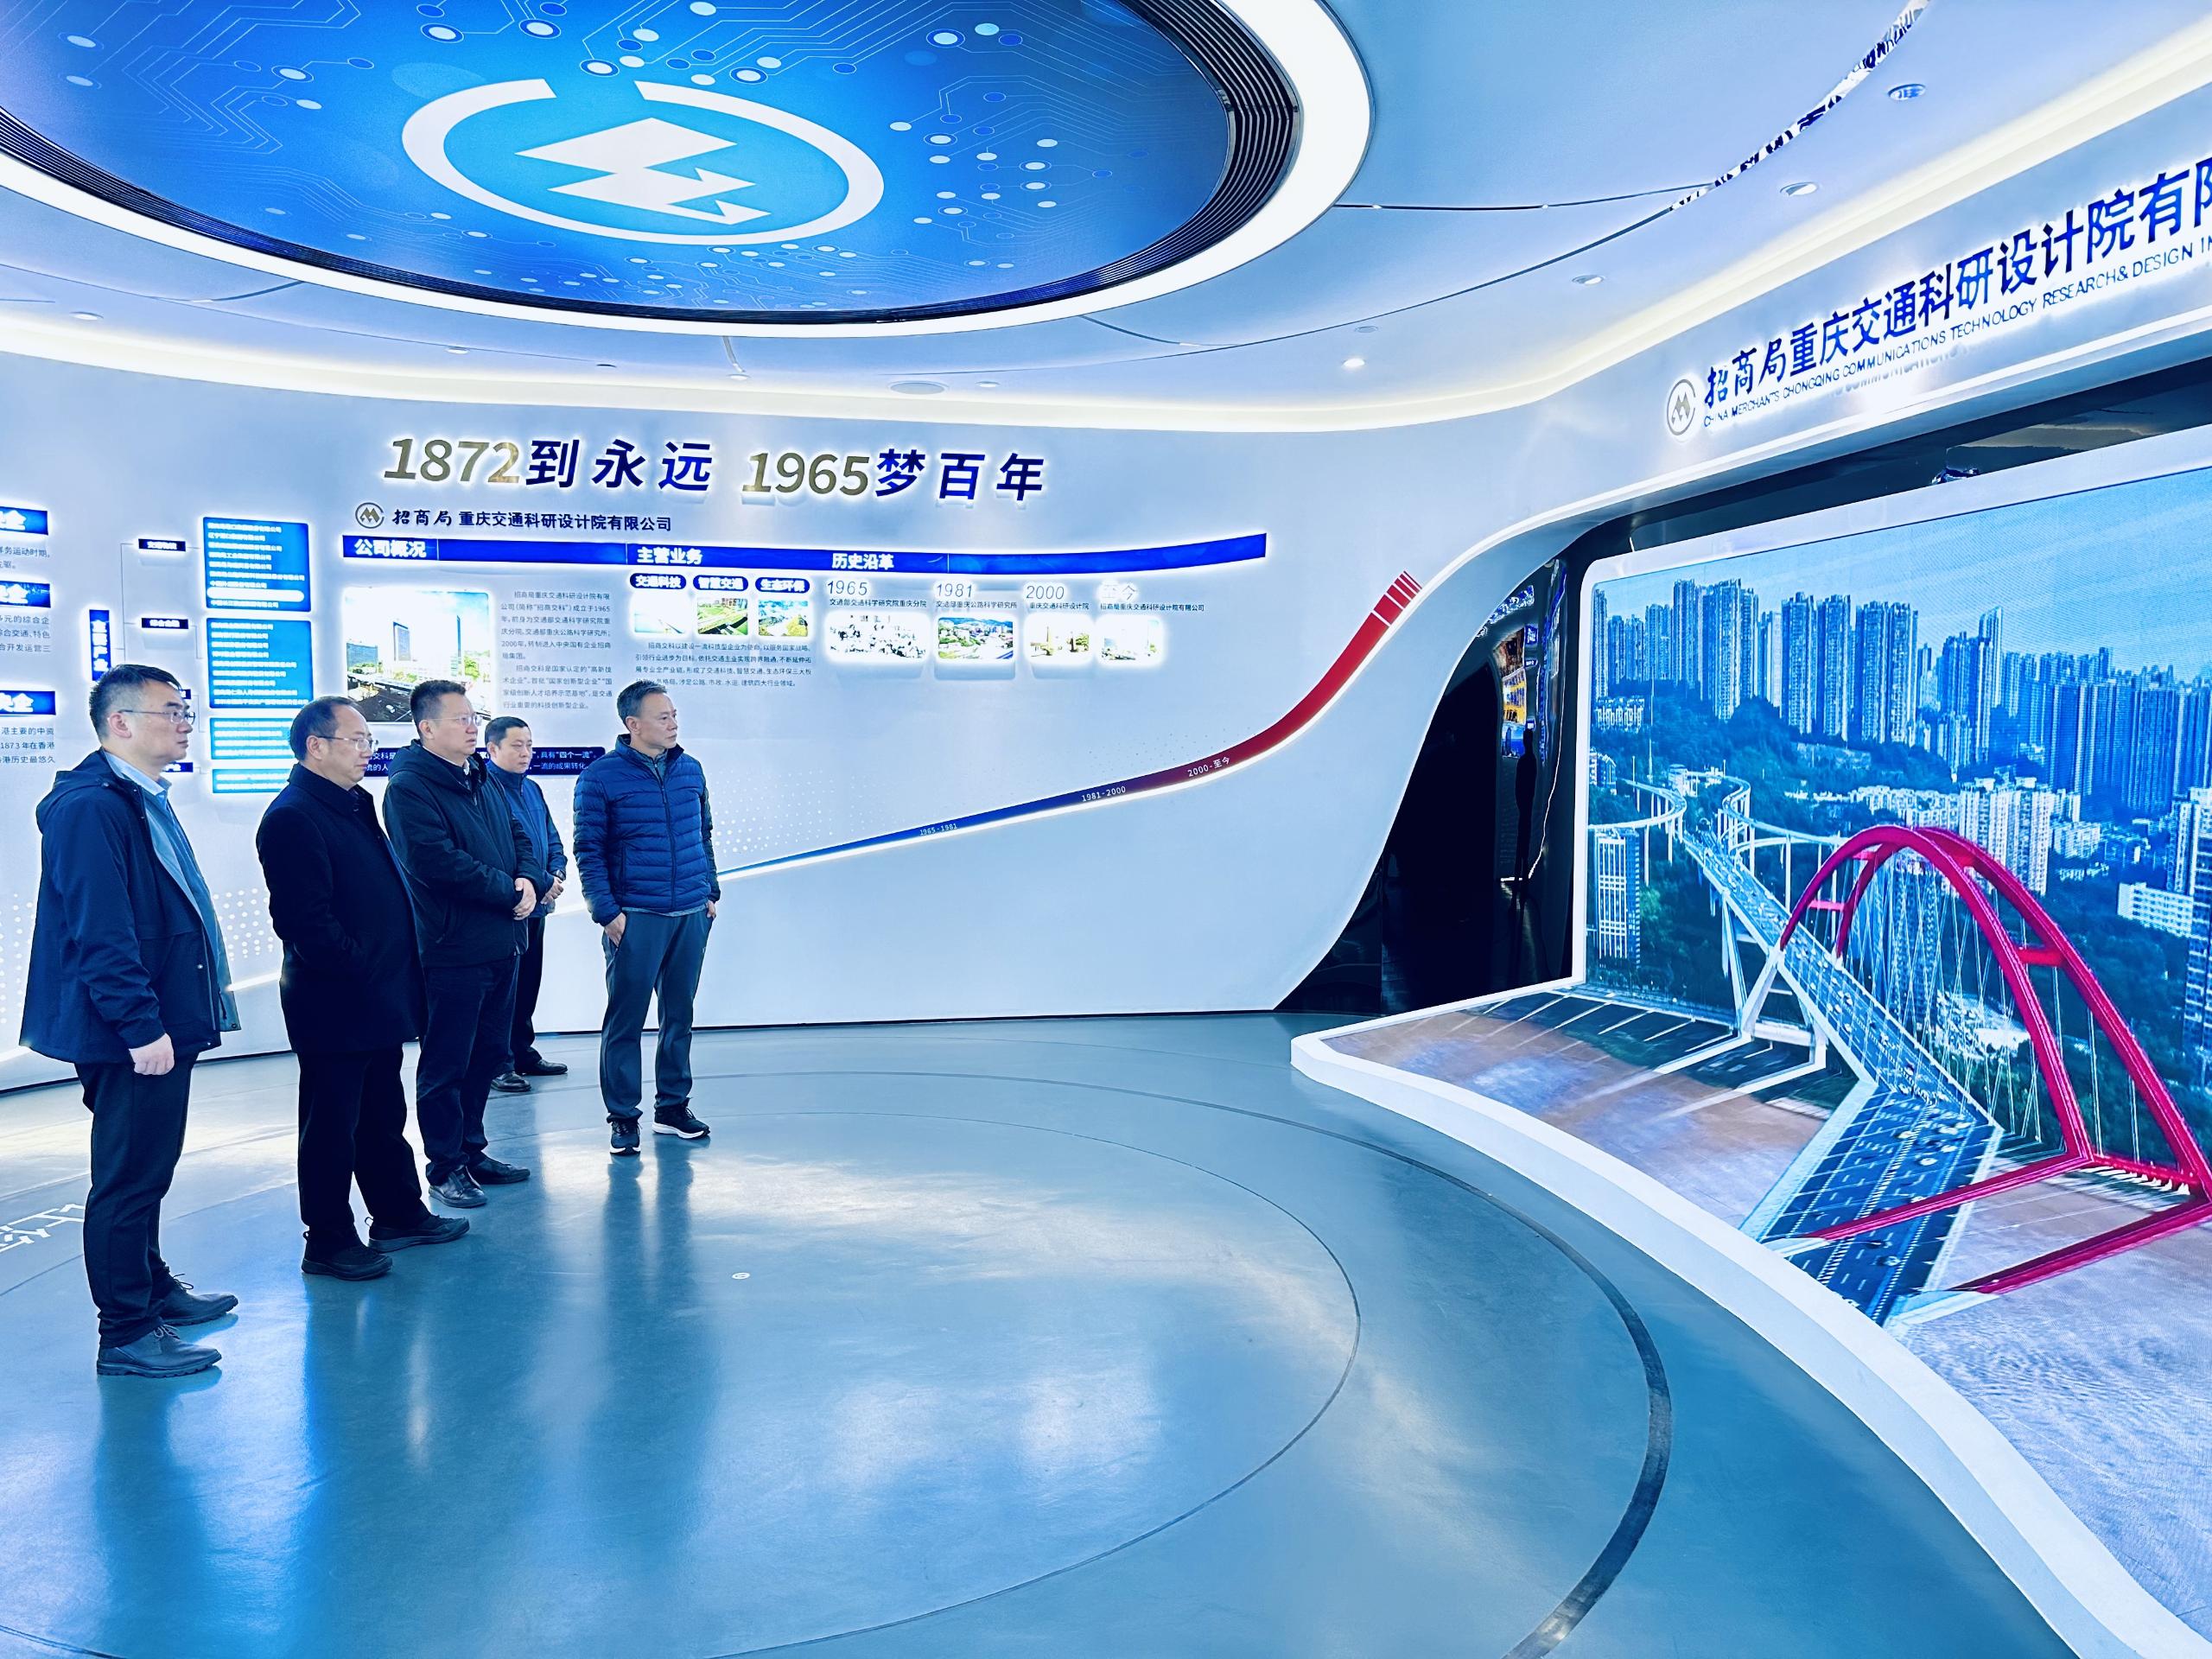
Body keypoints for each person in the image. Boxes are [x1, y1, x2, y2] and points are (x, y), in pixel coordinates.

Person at [22, 665, 239, 1378]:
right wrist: (141, 1027)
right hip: (130, 1030)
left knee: (148, 1167)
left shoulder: (135, 796)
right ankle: (125, 1333)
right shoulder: (92, 807)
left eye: (185, 711)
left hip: (155, 1018)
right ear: (120, 723)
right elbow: (101, 930)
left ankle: (151, 1287)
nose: (185, 723)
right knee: (128, 1179)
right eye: (169, 711)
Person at [257, 696, 471, 1280]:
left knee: (381, 1114)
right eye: (355, 741)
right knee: (331, 1127)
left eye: (368, 742)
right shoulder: (294, 816)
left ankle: (397, 1213)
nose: (366, 752)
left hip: (377, 996)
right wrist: (363, 971)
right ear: (315, 746)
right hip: (336, 1002)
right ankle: (328, 1240)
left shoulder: (351, 804)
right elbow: (306, 924)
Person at [382, 680, 546, 1210]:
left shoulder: (479, 775)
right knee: (447, 1064)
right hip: (452, 950)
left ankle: (473, 1152)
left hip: (502, 941)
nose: (473, 727)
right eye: (461, 719)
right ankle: (446, 1165)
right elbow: (434, 861)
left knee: (489, 1056)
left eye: (474, 717)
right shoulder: (409, 787)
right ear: (427, 727)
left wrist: (530, 879)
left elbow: (519, 836)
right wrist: (509, 891)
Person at [573, 680, 719, 1156]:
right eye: (663, 717)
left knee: (679, 1015)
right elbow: (588, 849)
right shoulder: (600, 778)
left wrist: (710, 890)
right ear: (633, 724)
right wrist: (606, 912)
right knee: (626, 1020)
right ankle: (622, 1116)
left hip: (690, 912)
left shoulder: (691, 769)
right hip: (636, 915)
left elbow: (703, 833)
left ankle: (673, 1107)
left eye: (674, 715)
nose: (673, 724)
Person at [482, 715, 569, 1094]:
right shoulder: (485, 790)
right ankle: (497, 1063)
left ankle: (522, 1052)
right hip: (511, 906)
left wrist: (555, 874)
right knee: (503, 992)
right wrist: (538, 882)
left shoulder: (532, 788)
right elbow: (501, 850)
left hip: (539, 905)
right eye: (517, 745)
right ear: (492, 749)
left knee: (528, 983)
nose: (526, 752)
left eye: (529, 745)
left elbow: (551, 837)